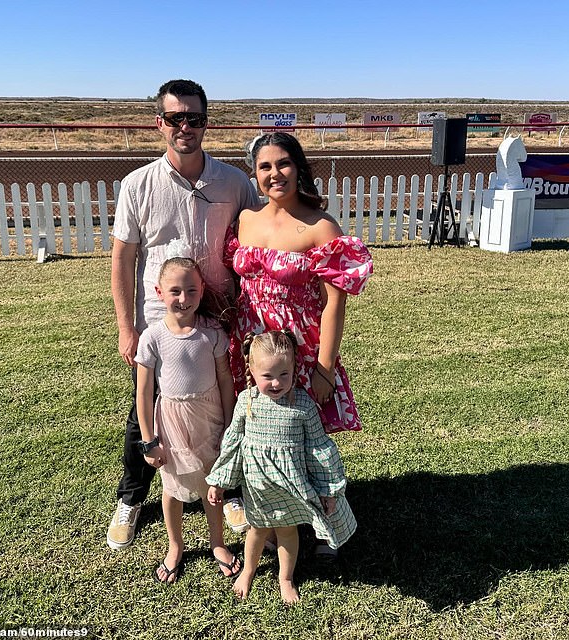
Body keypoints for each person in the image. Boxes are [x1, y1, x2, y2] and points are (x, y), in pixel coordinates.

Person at [107, 78, 260, 550]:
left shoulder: (234, 182)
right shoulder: (139, 184)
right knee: (147, 408)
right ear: (160, 124)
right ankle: (132, 499)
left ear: (205, 123)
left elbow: (262, 229)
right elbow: (122, 259)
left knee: (222, 403)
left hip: (218, 316)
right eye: (175, 118)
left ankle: (227, 488)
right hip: (159, 319)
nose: (185, 126)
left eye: (194, 118)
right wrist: (126, 326)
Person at [224, 131, 372, 559]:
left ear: (299, 167)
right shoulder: (246, 219)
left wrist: (325, 368)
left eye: (283, 164)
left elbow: (333, 305)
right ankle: (271, 520)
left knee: (310, 441)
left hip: (301, 351)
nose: (275, 174)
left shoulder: (321, 226)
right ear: (255, 174)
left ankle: (330, 526)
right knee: (263, 435)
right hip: (252, 347)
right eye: (265, 166)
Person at [207, 330, 356, 604]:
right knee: (257, 530)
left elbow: (319, 448)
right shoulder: (247, 401)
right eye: (268, 376)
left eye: (284, 375)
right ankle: (249, 571)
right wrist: (218, 480)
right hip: (258, 486)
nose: (276, 383)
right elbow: (232, 442)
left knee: (288, 531)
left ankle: (285, 578)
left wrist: (329, 488)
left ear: (294, 369)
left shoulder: (303, 405)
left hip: (291, 485)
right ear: (251, 370)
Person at [134, 246, 241, 583]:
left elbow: (225, 380)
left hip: (208, 416)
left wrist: (227, 423)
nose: (183, 297)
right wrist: (149, 442)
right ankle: (175, 546)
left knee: (213, 482)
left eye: (191, 290)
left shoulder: (212, 333)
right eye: (175, 291)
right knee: (172, 486)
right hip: (171, 420)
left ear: (202, 291)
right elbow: (143, 392)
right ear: (159, 292)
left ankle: (218, 543)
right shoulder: (152, 337)